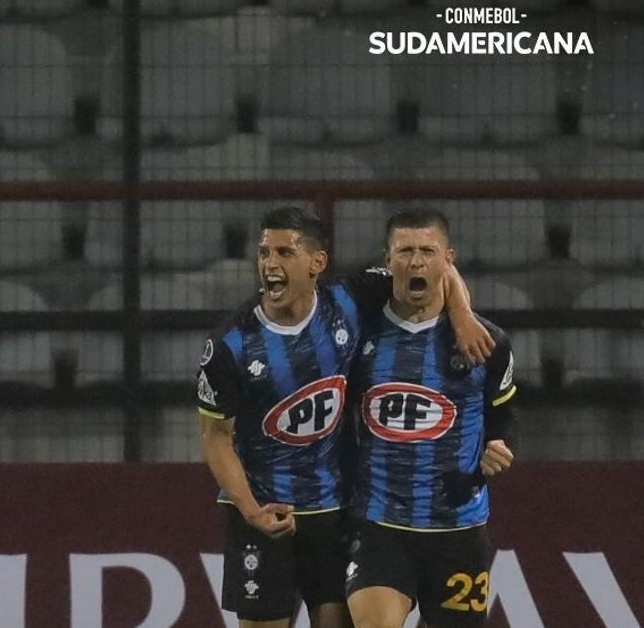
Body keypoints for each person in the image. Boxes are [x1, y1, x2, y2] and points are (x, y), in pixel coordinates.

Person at [198, 206, 492, 628]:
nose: (270, 264)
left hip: (335, 510)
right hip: (265, 511)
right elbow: (214, 436)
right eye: (264, 253)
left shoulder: (349, 300)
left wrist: (462, 316)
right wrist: (250, 509)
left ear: (317, 263)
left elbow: (430, 265)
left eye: (284, 253)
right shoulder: (229, 345)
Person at [344, 209, 517, 628]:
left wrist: (497, 447)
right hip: (380, 522)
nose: (416, 261)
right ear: (387, 260)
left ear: (448, 259)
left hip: (456, 527)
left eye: (427, 251)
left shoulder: (487, 343)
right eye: (405, 251)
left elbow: (501, 417)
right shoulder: (358, 332)